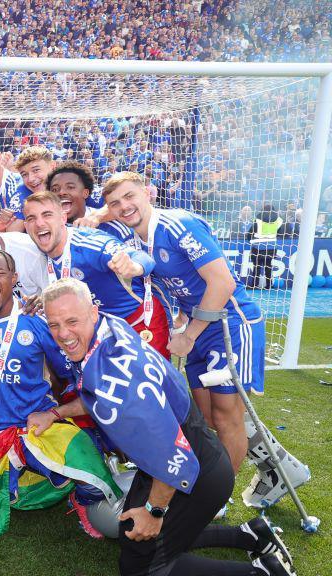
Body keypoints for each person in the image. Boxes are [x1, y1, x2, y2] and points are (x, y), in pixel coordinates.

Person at [40, 278, 295, 576]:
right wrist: (56, 413)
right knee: (133, 533)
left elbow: (174, 456)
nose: (63, 333)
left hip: (191, 471)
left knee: (142, 568)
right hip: (187, 456)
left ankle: (266, 572)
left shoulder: (118, 379)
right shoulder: (108, 329)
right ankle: (252, 534)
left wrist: (155, 511)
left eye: (72, 321)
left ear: (94, 313)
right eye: (54, 324)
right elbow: (98, 397)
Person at [0, 250, 118, 538]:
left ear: (14, 279)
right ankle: (13, 480)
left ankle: (82, 490)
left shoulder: (36, 322)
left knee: (88, 467)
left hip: (38, 424)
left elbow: (68, 370)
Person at [101, 172, 261, 473]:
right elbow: (179, 285)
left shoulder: (178, 224)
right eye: (115, 203)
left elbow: (222, 283)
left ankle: (220, 496)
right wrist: (182, 320)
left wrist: (189, 335)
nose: (124, 206)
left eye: (129, 196)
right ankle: (269, 462)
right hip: (198, 327)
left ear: (147, 193)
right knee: (209, 417)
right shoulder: (136, 240)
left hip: (231, 323)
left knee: (227, 415)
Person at [22, 191, 169, 356]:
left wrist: (133, 266)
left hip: (138, 322)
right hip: (101, 330)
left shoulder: (88, 244)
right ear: (26, 226)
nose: (39, 223)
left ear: (63, 218)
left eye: (47, 215)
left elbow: (144, 258)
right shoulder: (37, 253)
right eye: (31, 218)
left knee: (148, 381)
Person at [0, 146, 55, 232]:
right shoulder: (24, 191)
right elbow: (13, 232)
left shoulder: (69, 185)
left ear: (52, 166)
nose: (31, 179)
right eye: (24, 174)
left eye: (36, 170)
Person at [248, 204, 282, 289]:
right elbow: (280, 233)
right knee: (268, 266)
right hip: (271, 246)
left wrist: (250, 240)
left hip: (258, 246)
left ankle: (254, 285)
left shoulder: (258, 220)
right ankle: (269, 285)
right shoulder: (279, 220)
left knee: (257, 266)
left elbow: (250, 232)